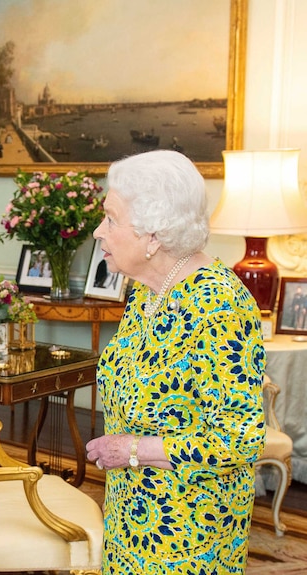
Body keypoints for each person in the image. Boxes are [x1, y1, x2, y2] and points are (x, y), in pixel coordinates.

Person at [85, 150, 266, 574]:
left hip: (188, 536)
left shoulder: (218, 306)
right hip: (130, 521)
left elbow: (238, 439)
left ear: (154, 236)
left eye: (111, 219)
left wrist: (132, 449)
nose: (98, 232)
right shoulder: (149, 291)